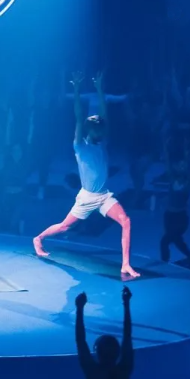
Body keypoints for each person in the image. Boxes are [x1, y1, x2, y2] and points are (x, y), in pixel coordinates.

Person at [33, 72, 139, 280]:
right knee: (65, 226)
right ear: (91, 132)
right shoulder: (80, 146)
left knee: (126, 221)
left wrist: (99, 89)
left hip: (104, 196)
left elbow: (104, 114)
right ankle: (38, 239)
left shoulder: (102, 142)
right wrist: (76, 90)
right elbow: (79, 117)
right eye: (98, 130)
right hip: (87, 197)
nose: (102, 132)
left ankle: (125, 264)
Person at [159, 152, 190, 263]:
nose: (181, 168)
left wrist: (187, 155)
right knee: (175, 239)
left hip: (180, 218)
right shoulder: (172, 180)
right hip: (169, 216)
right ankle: (189, 255)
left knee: (167, 240)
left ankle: (165, 261)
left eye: (183, 166)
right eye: (179, 165)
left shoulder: (188, 184)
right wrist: (166, 149)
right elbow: (168, 166)